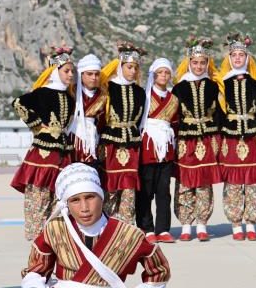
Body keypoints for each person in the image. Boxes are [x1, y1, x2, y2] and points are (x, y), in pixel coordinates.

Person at [17, 163, 172, 288]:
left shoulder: (128, 233)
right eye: (75, 200)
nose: (84, 208)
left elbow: (157, 272)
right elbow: (36, 272)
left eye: (90, 197)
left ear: (102, 196)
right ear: (66, 204)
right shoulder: (54, 229)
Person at [11, 46, 77, 240]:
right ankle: (36, 235)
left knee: (60, 196)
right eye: (66, 71)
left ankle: (55, 235)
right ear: (55, 71)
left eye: (72, 71)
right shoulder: (41, 93)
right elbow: (18, 103)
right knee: (39, 193)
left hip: (64, 151)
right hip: (43, 151)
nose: (70, 75)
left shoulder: (69, 97)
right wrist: (37, 126)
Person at [171, 37, 222, 241]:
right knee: (185, 182)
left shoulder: (213, 87)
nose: (199, 66)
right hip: (186, 139)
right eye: (195, 62)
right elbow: (173, 116)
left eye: (202, 63)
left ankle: (202, 223)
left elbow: (218, 114)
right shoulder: (179, 87)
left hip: (207, 138)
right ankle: (185, 224)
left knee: (204, 183)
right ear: (189, 63)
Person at [218, 33, 256, 241]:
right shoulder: (222, 84)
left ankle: (251, 222)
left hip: (251, 135)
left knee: (251, 182)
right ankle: (236, 223)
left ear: (247, 58)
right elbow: (218, 112)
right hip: (231, 136)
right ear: (229, 58)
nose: (238, 59)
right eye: (234, 55)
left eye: (241, 55)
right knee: (233, 182)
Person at [98, 41, 147, 223]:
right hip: (111, 141)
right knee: (110, 183)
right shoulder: (108, 88)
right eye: (129, 67)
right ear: (120, 66)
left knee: (129, 186)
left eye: (135, 67)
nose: (133, 71)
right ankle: (108, 223)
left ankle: (126, 224)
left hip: (132, 142)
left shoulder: (140, 92)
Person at [136, 57, 179, 243]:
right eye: (160, 72)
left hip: (166, 148)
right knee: (145, 189)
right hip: (148, 146)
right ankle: (146, 227)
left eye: (166, 73)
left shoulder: (173, 99)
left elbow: (175, 124)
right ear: (153, 75)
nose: (163, 76)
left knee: (164, 190)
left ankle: (163, 229)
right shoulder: (145, 96)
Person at [68, 53, 106, 171]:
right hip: (73, 140)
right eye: (89, 74)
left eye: (97, 74)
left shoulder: (104, 95)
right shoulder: (71, 92)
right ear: (81, 74)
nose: (94, 77)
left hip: (94, 141)